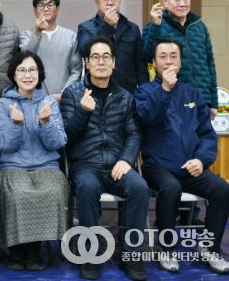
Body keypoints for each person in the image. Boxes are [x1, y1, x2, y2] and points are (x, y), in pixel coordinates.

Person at [134, 38, 229, 274]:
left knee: (221, 189)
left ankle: (209, 248)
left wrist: (201, 160)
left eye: (173, 56)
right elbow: (146, 118)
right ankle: (166, 248)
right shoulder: (144, 92)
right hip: (158, 167)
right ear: (154, 62)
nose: (169, 61)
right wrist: (165, 90)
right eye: (163, 56)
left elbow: (207, 134)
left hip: (191, 166)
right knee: (171, 187)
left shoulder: (193, 94)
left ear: (180, 61)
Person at [60, 36, 149, 281]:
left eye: (106, 57)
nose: (101, 62)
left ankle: (131, 255)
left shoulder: (125, 96)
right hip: (85, 165)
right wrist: (82, 111)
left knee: (140, 187)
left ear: (114, 63)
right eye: (95, 57)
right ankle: (90, 254)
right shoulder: (72, 94)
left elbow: (134, 133)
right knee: (88, 187)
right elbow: (66, 136)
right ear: (87, 63)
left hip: (117, 164)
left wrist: (126, 159)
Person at [0, 51, 68, 271]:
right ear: (14, 75)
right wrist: (16, 125)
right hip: (12, 167)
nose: (27, 75)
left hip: (46, 165)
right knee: (19, 193)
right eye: (22, 70)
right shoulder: (4, 104)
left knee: (52, 190)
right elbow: (3, 144)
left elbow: (58, 142)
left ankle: (35, 248)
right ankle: (16, 248)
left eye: (32, 70)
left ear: (39, 73)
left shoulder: (49, 102)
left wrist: (45, 123)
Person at [143, 0, 218, 120]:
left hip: (201, 99)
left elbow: (210, 65)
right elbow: (146, 56)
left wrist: (213, 102)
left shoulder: (199, 26)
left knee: (202, 134)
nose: (182, 4)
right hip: (172, 97)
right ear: (165, 1)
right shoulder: (156, 25)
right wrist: (156, 26)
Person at [77, 0, 148, 92]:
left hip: (127, 90)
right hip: (96, 89)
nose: (110, 2)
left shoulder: (132, 28)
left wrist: (144, 92)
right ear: (96, 1)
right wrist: (106, 26)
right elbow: (84, 51)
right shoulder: (85, 27)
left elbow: (140, 65)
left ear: (120, 0)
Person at [19, 0, 81, 101]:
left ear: (57, 9)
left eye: (50, 5)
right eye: (41, 5)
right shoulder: (26, 36)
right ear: (35, 11)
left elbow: (76, 71)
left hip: (64, 100)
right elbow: (24, 60)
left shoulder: (71, 37)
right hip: (33, 100)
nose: (46, 9)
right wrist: (37, 32)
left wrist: (63, 94)